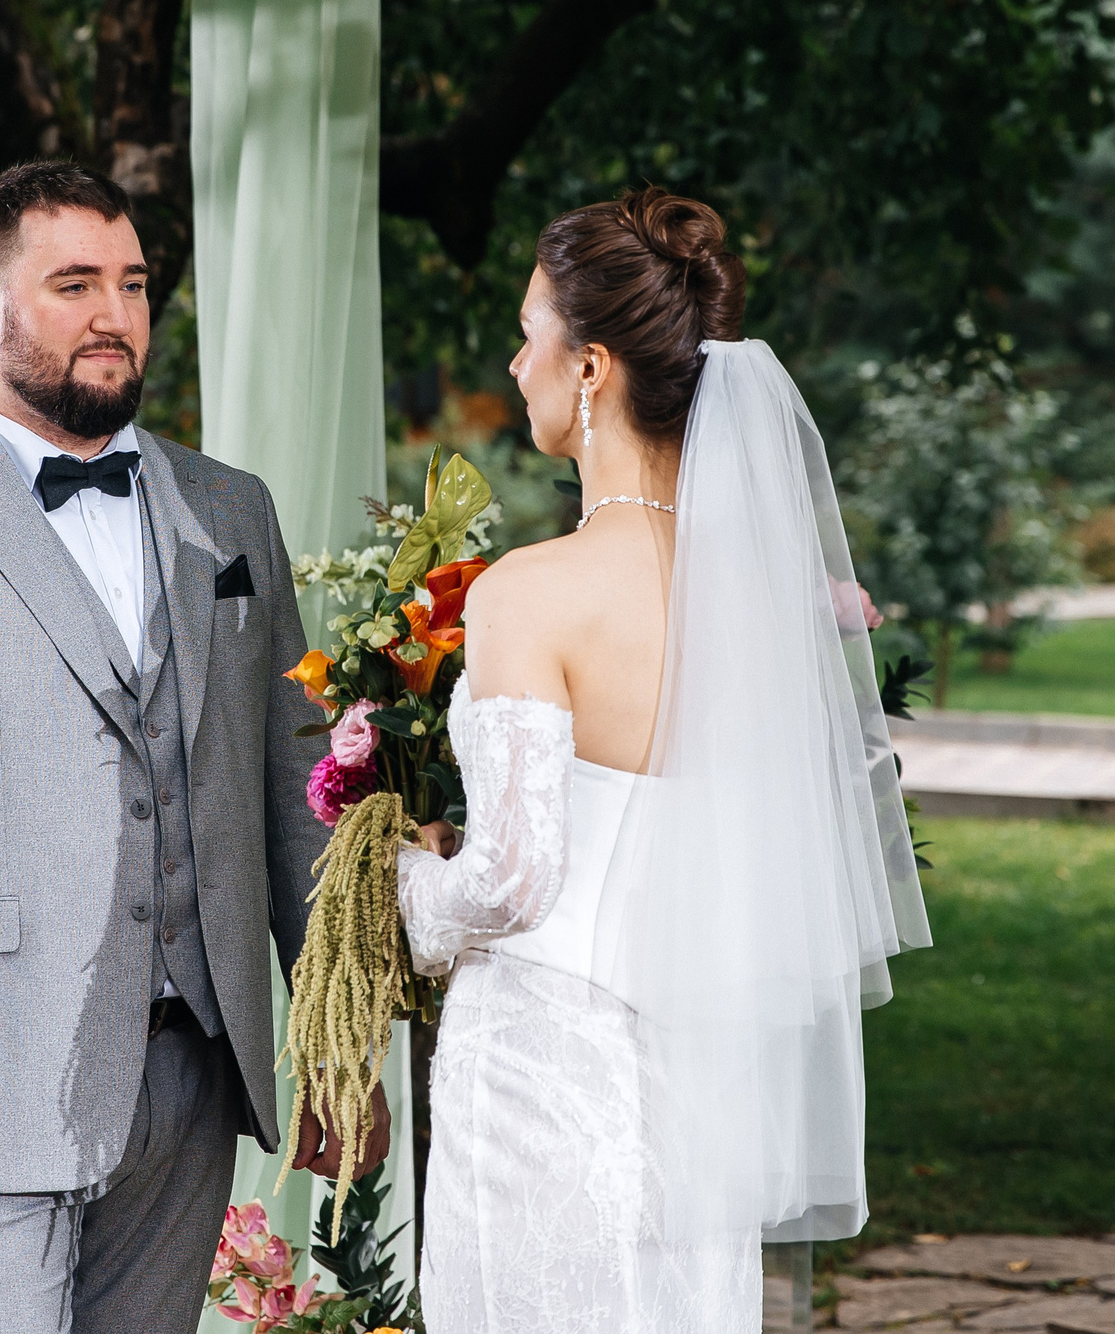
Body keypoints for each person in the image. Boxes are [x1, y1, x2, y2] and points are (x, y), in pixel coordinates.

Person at [0, 161, 388, 1334]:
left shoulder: (231, 508)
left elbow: (293, 789)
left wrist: (332, 1039)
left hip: (192, 1073)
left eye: (133, 283)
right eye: (73, 284)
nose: (114, 314)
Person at [396, 188, 930, 1331]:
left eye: (529, 332)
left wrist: (399, 881)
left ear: (590, 367)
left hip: (540, 1066)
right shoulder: (758, 597)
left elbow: (512, 878)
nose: (514, 362)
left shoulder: (529, 591)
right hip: (699, 1067)